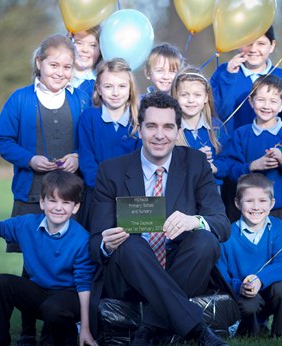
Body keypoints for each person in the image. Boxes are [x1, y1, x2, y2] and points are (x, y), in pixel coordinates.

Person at [88, 91, 231, 345]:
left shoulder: (196, 163)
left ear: (178, 131)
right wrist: (106, 244)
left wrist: (193, 221)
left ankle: (150, 327)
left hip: (182, 267)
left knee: (205, 241)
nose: (159, 135)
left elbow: (221, 223)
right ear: (139, 128)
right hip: (130, 273)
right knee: (130, 245)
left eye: (168, 127)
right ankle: (197, 329)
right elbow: (95, 242)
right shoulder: (111, 171)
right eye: (151, 126)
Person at [0, 33, 87, 344]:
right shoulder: (20, 99)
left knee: (66, 260)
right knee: (31, 262)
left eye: (67, 66)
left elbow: (90, 140)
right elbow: (3, 140)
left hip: (69, 195)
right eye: (54, 64)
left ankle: (56, 326)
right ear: (39, 63)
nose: (60, 72)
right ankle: (26, 332)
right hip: (32, 193)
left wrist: (78, 156)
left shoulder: (80, 99)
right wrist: (29, 159)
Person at [0, 171, 97, 346]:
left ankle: (68, 335)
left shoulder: (81, 239)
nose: (58, 207)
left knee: (52, 309)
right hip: (38, 292)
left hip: (67, 298)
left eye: (66, 202)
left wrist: (85, 327)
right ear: (42, 202)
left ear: (75, 207)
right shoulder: (27, 224)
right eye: (52, 201)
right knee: (1, 283)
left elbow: (84, 286)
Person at [225, 74, 282, 337]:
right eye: (261, 99)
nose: (266, 105)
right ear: (251, 102)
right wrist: (252, 166)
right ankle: (252, 319)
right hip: (247, 210)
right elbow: (228, 168)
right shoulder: (241, 135)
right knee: (246, 262)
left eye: (273, 100)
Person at [216, 173, 282, 338]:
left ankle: (280, 334)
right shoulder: (227, 234)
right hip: (244, 294)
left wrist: (260, 279)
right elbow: (223, 275)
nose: (256, 207)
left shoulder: (277, 227)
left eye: (263, 201)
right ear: (237, 203)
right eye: (249, 201)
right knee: (249, 308)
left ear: (272, 203)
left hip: (270, 290)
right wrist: (239, 286)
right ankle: (250, 333)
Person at [78, 58, 141, 228]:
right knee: (96, 245)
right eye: (108, 86)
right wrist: (103, 189)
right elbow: (87, 160)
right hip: (97, 195)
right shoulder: (89, 118)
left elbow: (143, 161)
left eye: (122, 86)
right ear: (98, 88)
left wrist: (125, 190)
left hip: (131, 196)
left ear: (130, 89)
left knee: (130, 245)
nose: (115, 92)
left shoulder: (138, 120)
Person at [210, 26, 282, 135]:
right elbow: (218, 114)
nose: (253, 49)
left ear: (272, 46)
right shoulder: (224, 72)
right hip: (231, 148)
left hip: (268, 149)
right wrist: (229, 78)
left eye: (261, 44)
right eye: (247, 42)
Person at [171, 66, 229, 188]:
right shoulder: (170, 127)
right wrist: (193, 158)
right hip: (180, 190)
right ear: (176, 96)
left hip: (211, 190)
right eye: (184, 95)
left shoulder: (217, 127)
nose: (191, 100)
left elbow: (227, 161)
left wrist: (213, 167)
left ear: (206, 97)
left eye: (197, 95)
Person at [70, 25, 102, 111]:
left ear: (100, 50)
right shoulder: (57, 78)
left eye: (93, 45)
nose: (85, 50)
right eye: (79, 43)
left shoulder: (103, 82)